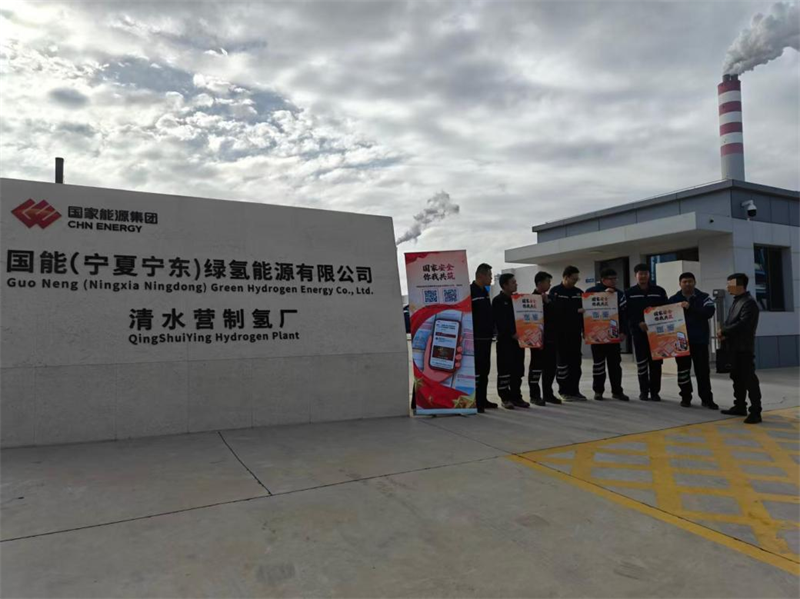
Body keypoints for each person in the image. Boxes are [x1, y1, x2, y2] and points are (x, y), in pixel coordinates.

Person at [669, 273, 719, 409]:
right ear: (680, 284)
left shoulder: (704, 297)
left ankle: (707, 399)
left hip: (700, 341)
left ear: (695, 282)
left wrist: (690, 307)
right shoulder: (673, 299)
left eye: (690, 281)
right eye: (684, 282)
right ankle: (685, 397)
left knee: (703, 371)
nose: (687, 284)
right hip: (681, 342)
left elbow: (709, 312)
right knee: (683, 371)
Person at [719, 273, 762, 424]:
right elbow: (730, 322)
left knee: (749, 379)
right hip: (734, 347)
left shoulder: (749, 303)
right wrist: (724, 333)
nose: (727, 287)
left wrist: (724, 331)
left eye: (730, 284)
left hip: (744, 348)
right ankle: (739, 405)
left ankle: (755, 411)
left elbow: (744, 324)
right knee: (736, 378)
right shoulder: (737, 301)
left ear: (740, 285)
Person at [585, 268, 630, 401]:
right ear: (603, 280)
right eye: (611, 279)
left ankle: (617, 391)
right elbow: (586, 313)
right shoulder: (590, 292)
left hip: (613, 334)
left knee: (615, 365)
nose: (614, 281)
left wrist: (623, 331)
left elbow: (624, 314)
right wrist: (604, 295)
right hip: (596, 335)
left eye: (615, 278)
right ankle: (598, 391)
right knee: (598, 365)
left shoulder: (619, 294)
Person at [625, 264, 668, 401]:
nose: (643, 276)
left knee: (656, 363)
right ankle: (644, 391)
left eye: (645, 273)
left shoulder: (659, 291)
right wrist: (638, 322)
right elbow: (627, 312)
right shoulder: (629, 293)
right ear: (635, 276)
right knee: (642, 363)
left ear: (649, 275)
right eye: (640, 274)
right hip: (639, 333)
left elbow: (666, 309)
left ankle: (655, 392)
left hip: (657, 333)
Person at [492, 274, 529, 409]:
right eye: (513, 282)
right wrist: (511, 333)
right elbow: (499, 321)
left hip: (519, 341)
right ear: (505, 285)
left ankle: (516, 396)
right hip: (505, 342)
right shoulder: (498, 301)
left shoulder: (518, 300)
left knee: (517, 370)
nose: (516, 284)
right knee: (504, 370)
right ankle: (505, 397)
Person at [549, 266, 586, 401]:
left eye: (577, 279)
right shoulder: (555, 292)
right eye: (573, 279)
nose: (575, 281)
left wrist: (586, 330)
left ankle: (575, 390)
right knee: (562, 363)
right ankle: (564, 390)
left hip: (575, 333)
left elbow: (585, 314)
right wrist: (574, 311)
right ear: (566, 277)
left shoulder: (579, 293)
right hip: (560, 334)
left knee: (575, 363)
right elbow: (555, 311)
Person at [528, 271, 561, 406]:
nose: (549, 285)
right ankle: (534, 395)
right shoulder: (530, 299)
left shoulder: (551, 298)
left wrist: (547, 302)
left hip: (551, 337)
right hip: (536, 339)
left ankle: (548, 394)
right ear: (540, 283)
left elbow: (557, 314)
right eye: (548, 282)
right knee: (536, 367)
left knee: (550, 367)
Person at [471, 263, 498, 413]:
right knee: (477, 371)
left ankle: (483, 399)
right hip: (475, 339)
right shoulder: (471, 292)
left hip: (486, 339)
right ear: (481, 275)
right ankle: (475, 401)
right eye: (489, 275)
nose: (491, 279)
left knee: (485, 370)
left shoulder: (484, 292)